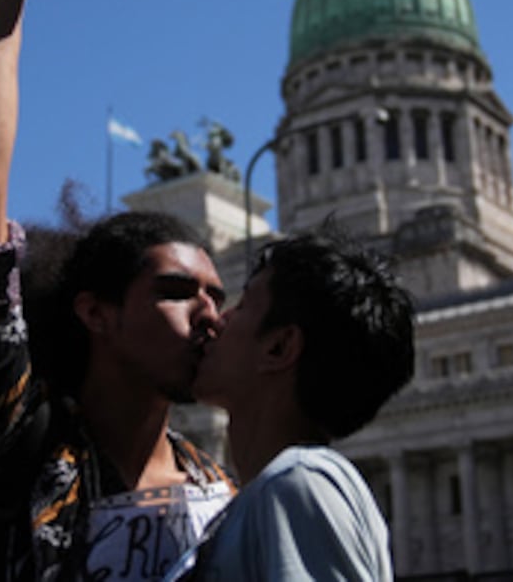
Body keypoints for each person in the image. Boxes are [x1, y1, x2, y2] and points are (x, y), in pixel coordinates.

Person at [0, 0, 235, 581]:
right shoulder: (12, 434)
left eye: (218, 296)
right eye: (178, 293)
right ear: (96, 312)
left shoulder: (221, 493)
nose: (212, 315)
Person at [165, 224, 415, 581]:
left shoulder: (298, 483)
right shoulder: (275, 490)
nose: (218, 320)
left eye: (242, 304)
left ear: (279, 348)